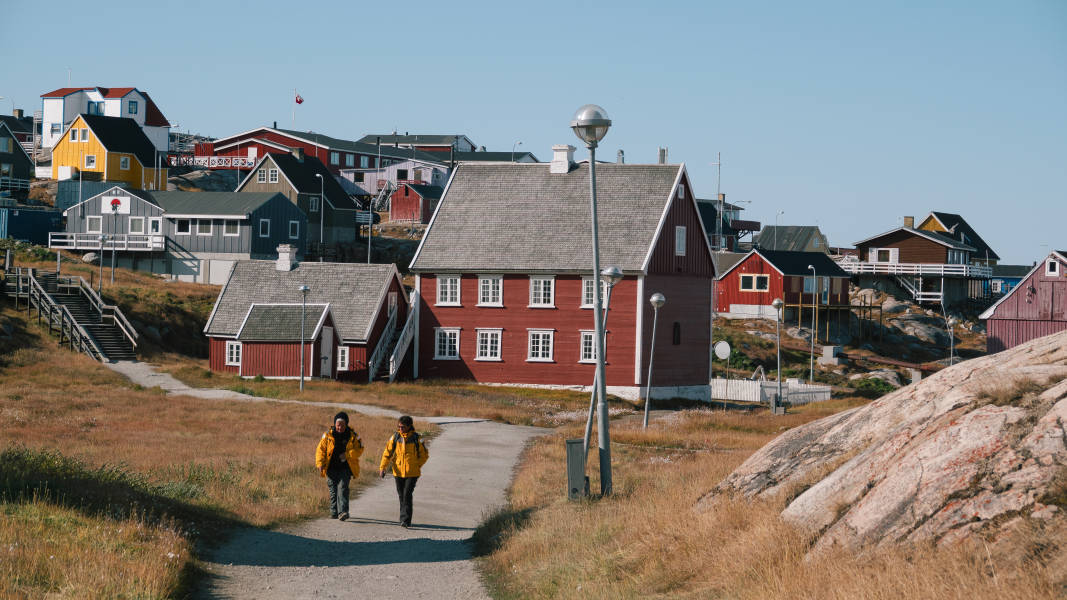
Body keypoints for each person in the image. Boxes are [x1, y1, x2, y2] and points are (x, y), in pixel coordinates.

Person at [378, 415, 429, 528]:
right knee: (401, 495)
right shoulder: (395, 437)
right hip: (398, 472)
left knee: (407, 494)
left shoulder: (417, 438)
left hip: (412, 473)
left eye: (403, 427)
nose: (400, 429)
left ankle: (405, 520)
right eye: (399, 426)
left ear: (409, 426)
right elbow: (387, 454)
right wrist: (382, 467)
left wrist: (416, 465)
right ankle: (403, 519)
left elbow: (424, 455)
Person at [315, 411, 363, 521]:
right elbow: (320, 450)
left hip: (345, 467)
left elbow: (360, 449)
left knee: (343, 488)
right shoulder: (327, 435)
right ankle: (334, 512)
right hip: (330, 467)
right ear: (334, 424)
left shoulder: (353, 436)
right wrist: (320, 463)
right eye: (338, 425)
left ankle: (343, 512)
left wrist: (347, 455)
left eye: (342, 425)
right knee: (333, 490)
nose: (340, 427)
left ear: (346, 424)